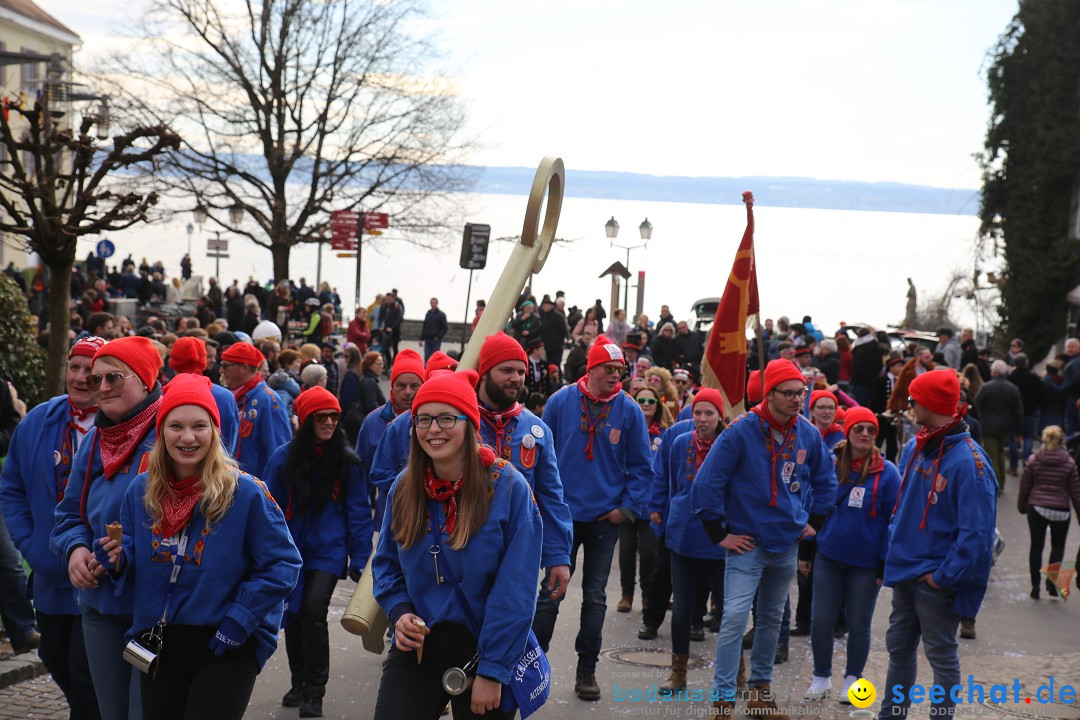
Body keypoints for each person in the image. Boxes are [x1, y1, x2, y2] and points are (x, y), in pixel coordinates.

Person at [95, 374, 301, 720]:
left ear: (215, 432)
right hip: (159, 639)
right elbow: (134, 547)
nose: (187, 437)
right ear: (161, 433)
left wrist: (241, 619)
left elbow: (282, 564)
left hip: (225, 641)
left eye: (199, 426)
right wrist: (118, 558)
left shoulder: (246, 493)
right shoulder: (141, 491)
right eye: (176, 426)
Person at [371, 371, 543, 720]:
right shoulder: (404, 487)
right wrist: (399, 611)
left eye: (447, 418)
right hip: (419, 644)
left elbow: (516, 589)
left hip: (484, 647)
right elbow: (386, 563)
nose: (434, 429)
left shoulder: (509, 488)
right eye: (424, 419)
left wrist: (494, 670)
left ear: (470, 424)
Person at [692, 359, 837, 717]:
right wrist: (719, 533)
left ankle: (759, 693)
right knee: (734, 619)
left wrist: (815, 522)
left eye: (801, 393)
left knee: (772, 621)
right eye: (788, 394)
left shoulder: (806, 432)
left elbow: (826, 480)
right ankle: (723, 700)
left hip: (785, 543)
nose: (796, 400)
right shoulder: (740, 430)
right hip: (747, 544)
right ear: (769, 394)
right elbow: (707, 483)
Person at [531, 335, 653, 701]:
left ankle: (587, 670)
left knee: (595, 596)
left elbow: (642, 468)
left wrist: (625, 510)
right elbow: (537, 455)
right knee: (551, 592)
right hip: (561, 517)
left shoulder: (629, 409)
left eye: (620, 370)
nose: (616, 375)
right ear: (591, 369)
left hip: (604, 519)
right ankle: (529, 666)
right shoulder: (560, 401)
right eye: (609, 369)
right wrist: (539, 505)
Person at [52, 336, 165, 720]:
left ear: (146, 380)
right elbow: (69, 515)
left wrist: (130, 550)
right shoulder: (99, 437)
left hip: (155, 610)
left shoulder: (174, 431)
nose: (99, 388)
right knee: (111, 713)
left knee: (142, 712)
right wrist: (75, 550)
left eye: (113, 378)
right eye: (96, 379)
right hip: (101, 606)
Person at [878, 370, 997, 719]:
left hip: (935, 581)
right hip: (906, 572)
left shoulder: (968, 461)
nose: (909, 404)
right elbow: (904, 505)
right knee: (899, 650)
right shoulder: (921, 444)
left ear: (929, 404)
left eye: (914, 399)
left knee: (941, 657)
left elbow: (977, 534)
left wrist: (944, 577)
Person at [0, 338, 103, 717]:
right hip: (50, 574)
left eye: (90, 370)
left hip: (100, 578)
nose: (80, 377)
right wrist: (30, 545)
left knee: (85, 671)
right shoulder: (38, 422)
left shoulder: (120, 424)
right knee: (54, 655)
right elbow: (12, 488)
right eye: (74, 367)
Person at [264, 387, 371, 716]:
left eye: (333, 417)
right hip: (291, 551)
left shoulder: (346, 461)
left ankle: (315, 692)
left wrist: (362, 557)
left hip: (328, 550)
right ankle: (298, 682)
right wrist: (265, 553)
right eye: (320, 417)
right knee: (294, 615)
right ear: (306, 420)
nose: (328, 422)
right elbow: (269, 508)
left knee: (312, 611)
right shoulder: (284, 457)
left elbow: (358, 511)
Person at [802, 407, 900, 702]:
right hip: (829, 557)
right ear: (848, 432)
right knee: (821, 620)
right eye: (859, 429)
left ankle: (852, 680)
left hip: (866, 564)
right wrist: (806, 552)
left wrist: (884, 565)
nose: (865, 435)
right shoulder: (831, 466)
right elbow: (813, 507)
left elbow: (893, 522)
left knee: (858, 624)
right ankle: (821, 677)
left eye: (870, 430)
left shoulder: (889, 472)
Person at [474, 333, 573, 612]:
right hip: (464, 551)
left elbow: (551, 496)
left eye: (521, 371)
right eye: (506, 370)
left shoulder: (536, 429)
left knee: (510, 635)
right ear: (484, 373)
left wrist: (558, 555)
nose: (516, 378)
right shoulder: (459, 420)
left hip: (519, 555)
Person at [649, 389, 727, 697]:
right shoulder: (680, 442)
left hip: (720, 537)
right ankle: (678, 673)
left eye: (709, 413)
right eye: (698, 413)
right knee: (681, 608)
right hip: (682, 535)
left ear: (720, 415)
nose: (703, 419)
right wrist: (659, 510)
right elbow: (667, 482)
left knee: (728, 610)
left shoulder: (729, 443)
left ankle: (737, 674)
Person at [617, 384, 671, 614]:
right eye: (642, 400)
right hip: (628, 501)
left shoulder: (666, 435)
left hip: (651, 505)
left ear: (658, 406)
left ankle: (648, 596)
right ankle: (626, 594)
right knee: (626, 550)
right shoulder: (625, 430)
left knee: (649, 553)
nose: (646, 405)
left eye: (651, 401)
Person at [357, 349, 424, 529]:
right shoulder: (372, 422)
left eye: (414, 385)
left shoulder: (434, 423)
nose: (408, 392)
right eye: (401, 386)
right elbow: (361, 479)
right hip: (389, 520)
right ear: (392, 387)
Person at [1018, 425, 1080, 599]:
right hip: (1061, 510)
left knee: (1036, 547)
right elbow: (1075, 492)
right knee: (1057, 547)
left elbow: (1025, 487)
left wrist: (1022, 506)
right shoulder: (1069, 463)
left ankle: (1035, 586)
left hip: (1036, 508)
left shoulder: (1034, 460)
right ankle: (1052, 584)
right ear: (1061, 441)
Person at [218, 342, 292, 479]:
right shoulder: (231, 397)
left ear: (244, 368)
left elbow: (279, 454)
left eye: (225, 365)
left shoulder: (268, 401)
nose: (221, 370)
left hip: (256, 490)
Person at [168, 337, 238, 455]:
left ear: (172, 363)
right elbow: (231, 443)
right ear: (203, 361)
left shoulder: (164, 395)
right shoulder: (225, 396)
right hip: (218, 468)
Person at [973, 360, 1023, 493]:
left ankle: (995, 483)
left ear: (993, 372)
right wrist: (1019, 430)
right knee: (1001, 453)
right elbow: (1018, 411)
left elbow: (976, 404)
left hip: (989, 425)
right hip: (1005, 426)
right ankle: (1002, 482)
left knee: (992, 454)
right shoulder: (1012, 388)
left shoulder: (986, 387)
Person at [1007, 353, 1041, 474]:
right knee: (1028, 437)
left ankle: (1013, 466)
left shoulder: (1011, 378)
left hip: (1014, 413)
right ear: (1026, 363)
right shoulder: (1035, 378)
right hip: (1030, 412)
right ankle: (1027, 461)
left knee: (1013, 439)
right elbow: (1039, 396)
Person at [420, 298, 448, 363]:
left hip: (436, 340)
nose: (432, 304)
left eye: (434, 303)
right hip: (427, 339)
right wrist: (421, 338)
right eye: (431, 303)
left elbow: (445, 327)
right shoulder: (428, 313)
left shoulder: (441, 315)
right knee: (426, 356)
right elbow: (425, 326)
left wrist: (438, 336)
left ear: (437, 304)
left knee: (435, 356)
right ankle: (426, 369)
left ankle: (435, 369)